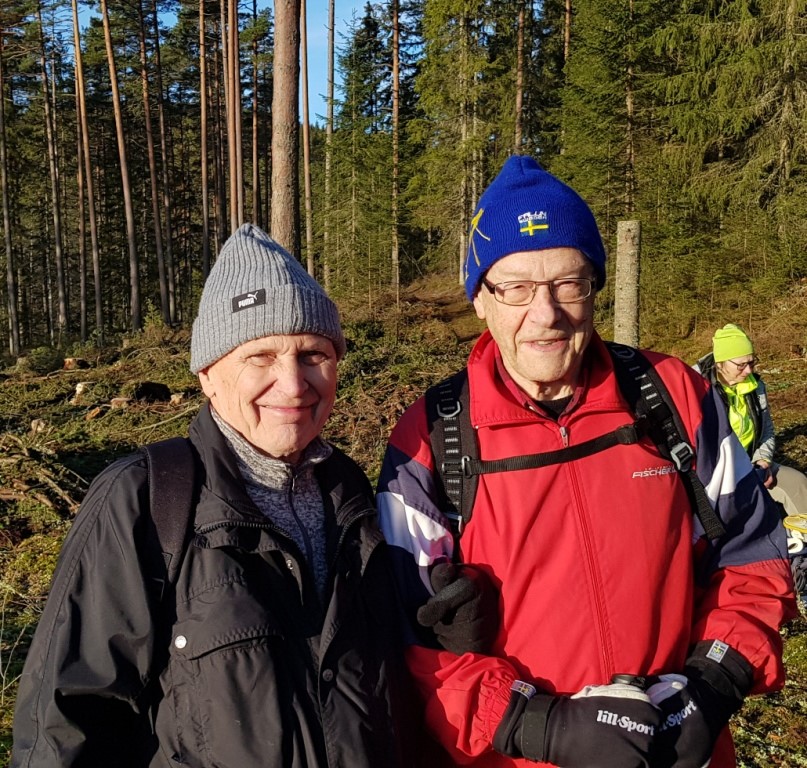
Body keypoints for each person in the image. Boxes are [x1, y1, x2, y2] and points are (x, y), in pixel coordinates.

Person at [376, 156, 797, 768]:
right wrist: (540, 727)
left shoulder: (673, 398)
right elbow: (406, 634)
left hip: (678, 750)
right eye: (516, 288)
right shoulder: (431, 439)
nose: (545, 314)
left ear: (595, 287)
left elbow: (753, 554)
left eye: (568, 283)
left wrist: (713, 684)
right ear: (480, 300)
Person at [12, 223, 421, 767]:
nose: (293, 384)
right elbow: (68, 724)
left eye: (312, 354)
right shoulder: (146, 498)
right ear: (207, 374)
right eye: (260, 357)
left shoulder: (350, 493)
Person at [695, 323, 807, 599]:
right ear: (720, 363)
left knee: (797, 484)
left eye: (752, 362)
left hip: (752, 465)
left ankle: (802, 563)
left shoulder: (755, 386)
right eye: (741, 364)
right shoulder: (697, 389)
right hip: (714, 475)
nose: (749, 370)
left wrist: (763, 461)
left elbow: (766, 431)